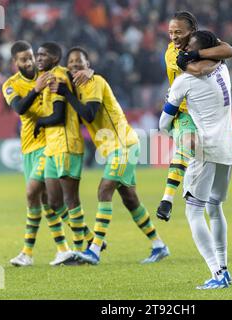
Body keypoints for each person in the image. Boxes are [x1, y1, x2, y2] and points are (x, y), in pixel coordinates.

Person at [157, 11, 232, 241]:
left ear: (192, 32)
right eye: (171, 32)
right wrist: (212, 59)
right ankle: (167, 199)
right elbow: (200, 69)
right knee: (190, 143)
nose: (173, 37)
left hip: (209, 117)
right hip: (184, 114)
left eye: (178, 32)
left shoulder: (199, 45)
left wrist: (198, 53)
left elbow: (229, 50)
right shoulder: (172, 54)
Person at [49, 47, 169, 265]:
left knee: (104, 190)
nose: (75, 64)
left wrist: (72, 89)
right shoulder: (74, 86)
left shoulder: (94, 82)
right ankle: (159, 245)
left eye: (80, 61)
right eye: (72, 62)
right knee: (130, 199)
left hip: (123, 144)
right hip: (114, 148)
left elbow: (89, 113)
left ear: (88, 64)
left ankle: (94, 250)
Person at [160, 30, 232, 289]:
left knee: (193, 212)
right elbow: (220, 53)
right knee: (215, 208)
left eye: (190, 48)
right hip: (226, 147)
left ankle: (217, 273)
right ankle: (224, 268)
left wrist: (173, 130)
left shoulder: (183, 82)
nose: (185, 52)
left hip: (204, 149)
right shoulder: (223, 69)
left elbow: (162, 123)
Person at [1, 40, 70, 266]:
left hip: (49, 144)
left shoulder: (49, 73)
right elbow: (19, 108)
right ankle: (60, 249)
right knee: (42, 199)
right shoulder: (10, 85)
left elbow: (67, 73)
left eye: (30, 57)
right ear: (15, 62)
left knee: (32, 193)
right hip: (28, 147)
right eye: (24, 59)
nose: (30, 62)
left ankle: (83, 237)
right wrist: (36, 89)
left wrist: (86, 71)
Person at [34, 42, 95, 265]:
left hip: (67, 144)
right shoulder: (49, 75)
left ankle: (80, 250)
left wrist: (39, 122)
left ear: (55, 57)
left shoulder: (58, 77)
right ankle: (89, 238)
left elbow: (59, 116)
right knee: (52, 201)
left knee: (70, 199)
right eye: (37, 54)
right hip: (53, 146)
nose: (39, 57)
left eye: (44, 54)